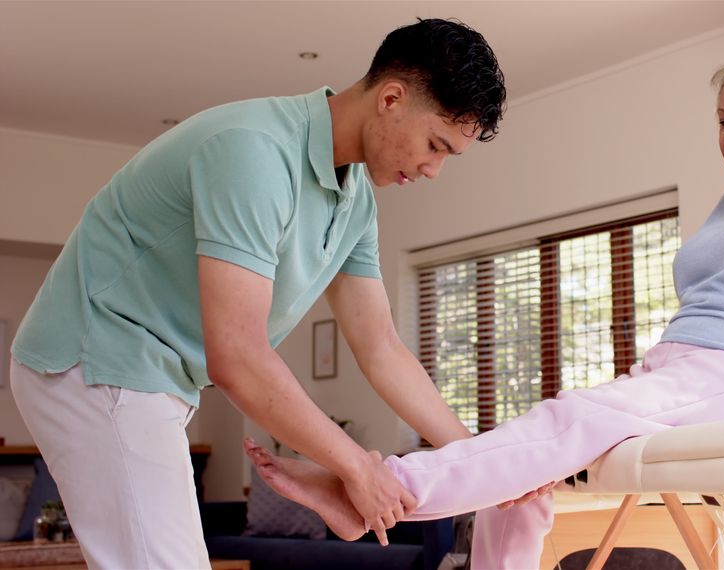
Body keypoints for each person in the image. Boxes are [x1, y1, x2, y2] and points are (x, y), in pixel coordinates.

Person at [242, 52, 724, 569]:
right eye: (723, 120)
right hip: (682, 373)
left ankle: (378, 490)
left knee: (567, 420)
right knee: (523, 478)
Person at [9, 18, 505, 569]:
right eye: (435, 145)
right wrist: (355, 467)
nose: (433, 169)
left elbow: (381, 347)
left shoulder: (356, 200)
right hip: (94, 358)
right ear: (391, 98)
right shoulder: (254, 151)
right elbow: (238, 355)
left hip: (155, 376)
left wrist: (487, 459)